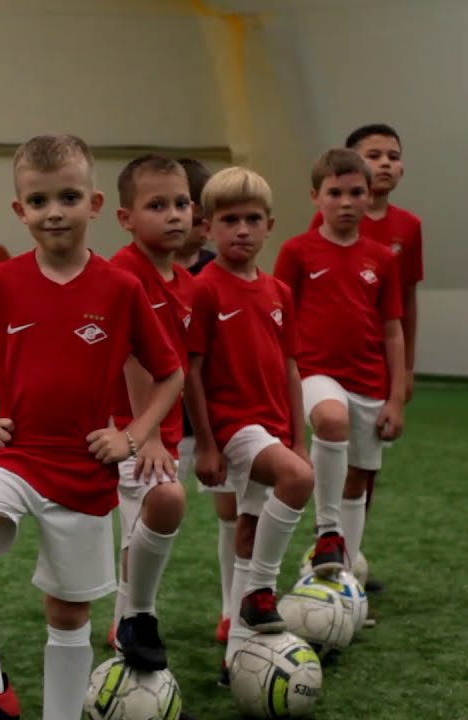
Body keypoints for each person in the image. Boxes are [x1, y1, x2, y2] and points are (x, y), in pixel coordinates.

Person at [0, 134, 183, 720]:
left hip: (85, 469)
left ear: (94, 204)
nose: (54, 212)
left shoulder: (121, 288)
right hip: (16, 455)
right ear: (19, 210)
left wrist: (132, 435)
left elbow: (170, 373)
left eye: (68, 198)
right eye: (38, 200)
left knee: (68, 615)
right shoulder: (0, 282)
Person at [183, 167, 314, 685]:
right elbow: (191, 371)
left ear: (269, 226)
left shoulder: (279, 291)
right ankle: (262, 588)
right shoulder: (202, 290)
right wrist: (206, 445)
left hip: (275, 425)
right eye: (229, 220)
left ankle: (236, 657)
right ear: (207, 228)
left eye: (253, 219)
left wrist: (298, 438)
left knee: (249, 530)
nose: (242, 230)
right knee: (298, 480)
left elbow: (290, 369)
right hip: (233, 427)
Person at [278, 149, 405, 586]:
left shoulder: (382, 259)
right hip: (314, 373)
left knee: (359, 481)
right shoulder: (297, 252)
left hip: (369, 382)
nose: (346, 202)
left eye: (355, 193)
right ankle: (327, 532)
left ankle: (342, 577)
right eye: (335, 193)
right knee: (332, 420)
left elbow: (392, 330)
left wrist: (395, 397)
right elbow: (279, 318)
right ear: (316, 196)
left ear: (370, 196)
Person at [307, 125, 421, 593]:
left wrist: (405, 371)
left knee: (363, 472)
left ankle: (347, 562)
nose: (385, 162)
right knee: (331, 432)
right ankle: (325, 541)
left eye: (393, 154)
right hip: (321, 370)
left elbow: (403, 307)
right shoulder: (317, 232)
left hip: (372, 373)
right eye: (374, 154)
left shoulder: (406, 229)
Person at [106, 155, 195, 672]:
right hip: (127, 430)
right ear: (126, 217)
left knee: (140, 530)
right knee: (161, 503)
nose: (173, 215)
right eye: (157, 205)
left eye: (181, 203)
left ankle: (127, 625)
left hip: (166, 429)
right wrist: (150, 434)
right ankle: (135, 621)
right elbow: (133, 356)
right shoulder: (125, 272)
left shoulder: (185, 281)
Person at [175, 158, 237, 643]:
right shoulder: (132, 273)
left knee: (232, 511)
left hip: (217, 421)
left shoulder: (223, 273)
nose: (192, 224)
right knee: (146, 520)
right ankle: (130, 612)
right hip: (157, 427)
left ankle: (234, 609)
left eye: (199, 215)